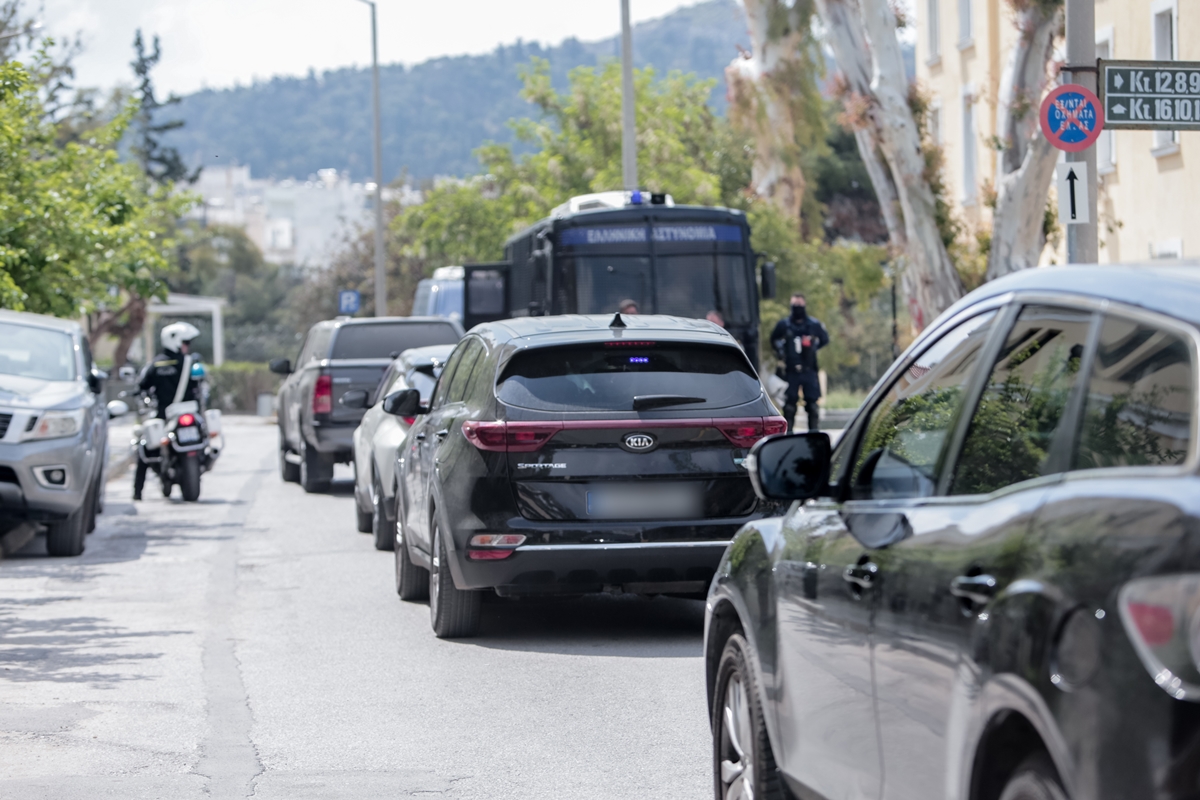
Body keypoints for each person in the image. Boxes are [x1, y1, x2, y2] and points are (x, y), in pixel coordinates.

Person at [133, 322, 205, 500]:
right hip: (189, 412)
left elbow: (141, 387)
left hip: (164, 415)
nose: (187, 347)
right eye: (185, 343)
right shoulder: (192, 362)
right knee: (204, 437)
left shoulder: (155, 365)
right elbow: (202, 387)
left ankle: (137, 491)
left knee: (145, 447)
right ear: (177, 342)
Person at [771, 293, 829, 432]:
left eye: (800, 305)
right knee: (789, 406)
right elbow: (774, 339)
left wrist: (814, 346)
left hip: (809, 369)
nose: (797, 308)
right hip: (791, 371)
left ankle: (814, 436)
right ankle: (789, 435)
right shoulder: (784, 325)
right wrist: (781, 349)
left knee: (813, 406)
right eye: (795, 305)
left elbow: (824, 339)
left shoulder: (813, 324)